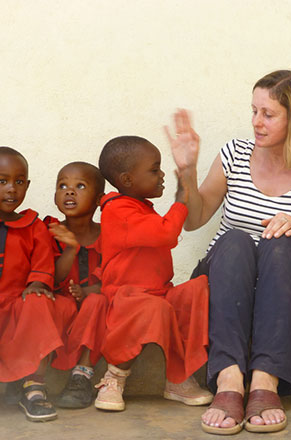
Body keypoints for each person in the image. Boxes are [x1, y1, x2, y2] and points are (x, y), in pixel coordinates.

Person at [165, 70, 291, 434]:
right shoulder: (234, 154)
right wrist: (188, 173)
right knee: (238, 240)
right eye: (254, 111)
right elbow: (194, 220)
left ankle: (264, 381)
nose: (257, 122)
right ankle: (228, 381)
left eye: (268, 114)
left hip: (279, 278)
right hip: (226, 273)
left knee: (281, 241)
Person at [94, 136, 212, 411]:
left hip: (158, 292)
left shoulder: (139, 206)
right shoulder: (117, 210)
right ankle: (114, 377)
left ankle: (178, 378)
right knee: (154, 308)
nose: (161, 175)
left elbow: (162, 227)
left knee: (198, 289)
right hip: (127, 297)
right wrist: (182, 200)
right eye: (154, 169)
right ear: (127, 179)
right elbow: (166, 232)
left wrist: (181, 191)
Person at [0, 147, 75, 422]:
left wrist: (38, 284)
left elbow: (43, 264)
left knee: (39, 302)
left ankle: (34, 386)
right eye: (2, 181)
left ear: (28, 185)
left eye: (19, 182)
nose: (11, 189)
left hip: (18, 304)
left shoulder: (34, 226)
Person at [44, 161, 107, 408]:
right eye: (63, 185)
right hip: (64, 307)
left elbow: (114, 278)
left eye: (80, 186)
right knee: (54, 304)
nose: (69, 191)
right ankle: (33, 377)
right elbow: (54, 279)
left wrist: (89, 291)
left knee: (98, 300)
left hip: (96, 311)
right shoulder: (49, 231)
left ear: (99, 199)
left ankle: (82, 374)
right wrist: (70, 248)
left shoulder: (107, 234)